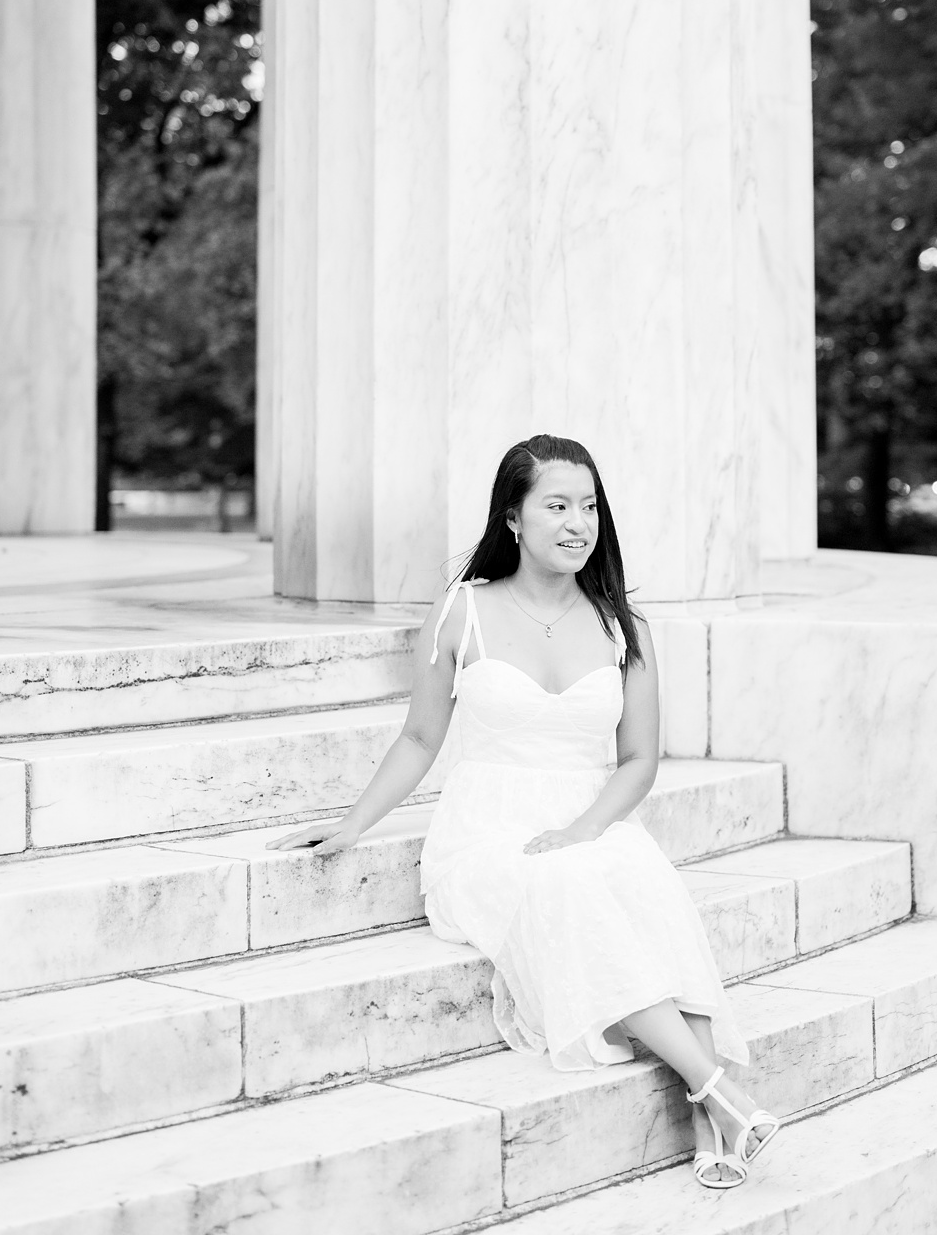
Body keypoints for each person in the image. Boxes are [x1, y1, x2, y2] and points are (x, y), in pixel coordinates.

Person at [274, 434, 776, 1190]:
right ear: (513, 518)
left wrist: (584, 829)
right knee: (569, 886)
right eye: (557, 505)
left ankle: (714, 1108)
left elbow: (639, 759)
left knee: (651, 890)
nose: (578, 522)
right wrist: (353, 825)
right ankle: (718, 1090)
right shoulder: (464, 611)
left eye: (589, 506)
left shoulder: (621, 626)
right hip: (486, 830)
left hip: (588, 815)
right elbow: (419, 736)